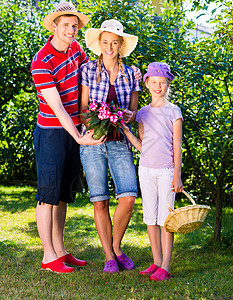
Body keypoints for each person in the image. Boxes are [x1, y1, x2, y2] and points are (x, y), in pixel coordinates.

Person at [30, 2, 105, 274]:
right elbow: (57, 107)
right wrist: (79, 137)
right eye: (66, 26)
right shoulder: (42, 61)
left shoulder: (76, 50)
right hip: (52, 133)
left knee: (62, 195)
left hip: (74, 131)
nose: (71, 31)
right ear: (54, 26)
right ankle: (48, 256)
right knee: (47, 196)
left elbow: (89, 80)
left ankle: (60, 251)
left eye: (75, 26)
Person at [79, 19, 141, 273]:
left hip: (120, 141)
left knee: (128, 197)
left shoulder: (131, 74)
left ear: (120, 45)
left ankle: (116, 247)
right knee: (100, 200)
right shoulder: (88, 70)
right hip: (93, 141)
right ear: (99, 44)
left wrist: (128, 116)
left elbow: (135, 110)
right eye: (105, 42)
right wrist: (94, 124)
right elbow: (83, 108)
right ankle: (109, 256)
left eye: (114, 42)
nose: (109, 47)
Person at [121, 62, 183, 281]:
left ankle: (166, 265)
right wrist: (127, 132)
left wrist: (177, 175)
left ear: (168, 85)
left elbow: (177, 145)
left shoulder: (173, 111)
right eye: (154, 82)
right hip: (146, 170)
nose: (158, 86)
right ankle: (156, 262)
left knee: (166, 220)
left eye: (162, 83)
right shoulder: (142, 114)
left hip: (166, 172)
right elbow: (142, 145)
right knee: (150, 217)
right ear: (146, 84)